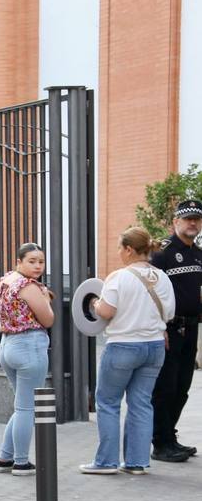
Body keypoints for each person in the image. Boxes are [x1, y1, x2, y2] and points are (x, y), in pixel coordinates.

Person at [80, 227, 175, 475]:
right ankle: (137, 462)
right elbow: (171, 314)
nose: (119, 253)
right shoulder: (162, 277)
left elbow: (107, 311)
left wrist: (94, 303)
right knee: (141, 403)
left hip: (123, 345)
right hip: (155, 347)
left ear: (129, 249)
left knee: (108, 402)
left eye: (120, 248)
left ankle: (106, 462)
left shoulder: (119, 277)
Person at [148, 199, 202, 462]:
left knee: (182, 388)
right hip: (169, 330)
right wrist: (159, 328)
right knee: (165, 387)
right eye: (187, 218)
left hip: (191, 330)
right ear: (176, 222)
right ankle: (160, 443)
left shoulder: (199, 253)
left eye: (197, 219)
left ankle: (170, 436)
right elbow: (149, 292)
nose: (192, 223)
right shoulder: (162, 253)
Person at [0, 244, 55, 475]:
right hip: (29, 346)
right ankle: (21, 462)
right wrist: (45, 297)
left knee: (21, 407)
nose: (38, 265)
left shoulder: (7, 279)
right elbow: (48, 319)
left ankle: (5, 458)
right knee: (27, 408)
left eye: (41, 261)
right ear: (19, 261)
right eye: (31, 261)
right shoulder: (28, 286)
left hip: (8, 345)